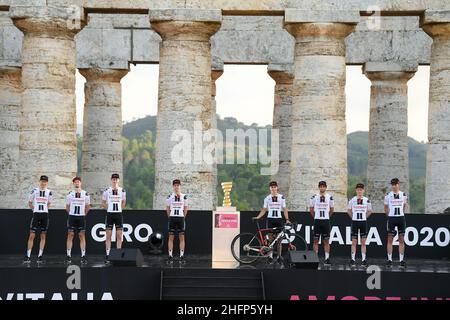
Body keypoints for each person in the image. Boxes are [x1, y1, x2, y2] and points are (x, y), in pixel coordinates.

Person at [254, 181, 289, 264]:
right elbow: (264, 209)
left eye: (274, 187)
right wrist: (258, 217)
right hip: (270, 219)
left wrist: (287, 219)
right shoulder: (267, 198)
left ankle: (279, 257)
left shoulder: (281, 197)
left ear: (277, 188)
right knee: (270, 239)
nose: (273, 188)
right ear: (270, 188)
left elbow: (284, 209)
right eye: (272, 187)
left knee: (279, 240)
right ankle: (270, 257)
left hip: (278, 219)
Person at [23, 175, 53, 264]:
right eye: (42, 181)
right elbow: (30, 203)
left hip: (44, 215)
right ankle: (28, 256)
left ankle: (40, 256)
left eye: (45, 182)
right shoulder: (34, 191)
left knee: (43, 235)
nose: (43, 183)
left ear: (47, 182)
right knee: (32, 235)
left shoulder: (49, 192)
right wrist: (35, 210)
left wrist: (44, 210)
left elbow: (49, 203)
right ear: (39, 181)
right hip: (36, 215)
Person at [65, 177, 91, 264]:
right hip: (72, 217)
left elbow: (87, 205)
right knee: (70, 235)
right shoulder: (70, 194)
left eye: (78, 182)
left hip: (81, 217)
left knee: (81, 235)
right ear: (73, 184)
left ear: (81, 183)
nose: (77, 183)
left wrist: (84, 214)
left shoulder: (85, 194)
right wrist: (70, 214)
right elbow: (67, 206)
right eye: (75, 182)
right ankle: (68, 256)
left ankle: (83, 256)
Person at [102, 173, 126, 263]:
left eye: (116, 179)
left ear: (118, 180)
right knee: (108, 236)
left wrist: (120, 209)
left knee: (119, 236)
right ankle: (108, 255)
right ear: (111, 180)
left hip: (118, 214)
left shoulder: (122, 190)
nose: (115, 180)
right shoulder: (107, 190)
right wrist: (109, 208)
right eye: (113, 179)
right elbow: (103, 202)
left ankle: (118, 255)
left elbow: (124, 202)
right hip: (110, 214)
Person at [384, 178, 408, 268]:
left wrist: (402, 214)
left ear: (399, 184)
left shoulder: (403, 195)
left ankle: (401, 260)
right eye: (392, 184)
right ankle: (389, 260)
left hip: (401, 218)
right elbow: (385, 208)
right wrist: (389, 216)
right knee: (390, 239)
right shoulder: (388, 195)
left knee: (401, 239)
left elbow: (404, 206)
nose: (394, 186)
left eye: (395, 184)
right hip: (392, 218)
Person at [347, 183, 372, 267]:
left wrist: (365, 217)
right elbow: (349, 210)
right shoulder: (352, 200)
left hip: (363, 222)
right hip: (355, 222)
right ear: (356, 190)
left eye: (361, 189)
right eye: (358, 189)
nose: (359, 191)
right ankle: (353, 259)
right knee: (354, 242)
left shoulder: (366, 200)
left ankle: (364, 260)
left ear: (363, 190)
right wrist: (353, 217)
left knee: (363, 242)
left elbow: (370, 210)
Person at [310, 180, 334, 266]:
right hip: (317, 221)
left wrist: (326, 217)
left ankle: (327, 259)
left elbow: (331, 209)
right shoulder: (314, 197)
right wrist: (316, 217)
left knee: (326, 241)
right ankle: (315, 259)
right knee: (315, 240)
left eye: (324, 186)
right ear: (319, 187)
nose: (322, 188)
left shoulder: (329, 197)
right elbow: (311, 209)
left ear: (326, 187)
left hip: (326, 221)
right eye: (321, 186)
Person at [166, 179, 188, 264]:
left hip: (180, 218)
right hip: (172, 218)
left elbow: (186, 208)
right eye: (175, 185)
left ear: (180, 186)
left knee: (181, 237)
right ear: (173, 186)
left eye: (178, 185)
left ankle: (181, 255)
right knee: (171, 237)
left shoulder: (184, 196)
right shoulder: (169, 196)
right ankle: (170, 255)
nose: (176, 187)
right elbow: (167, 208)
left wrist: (183, 217)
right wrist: (170, 216)